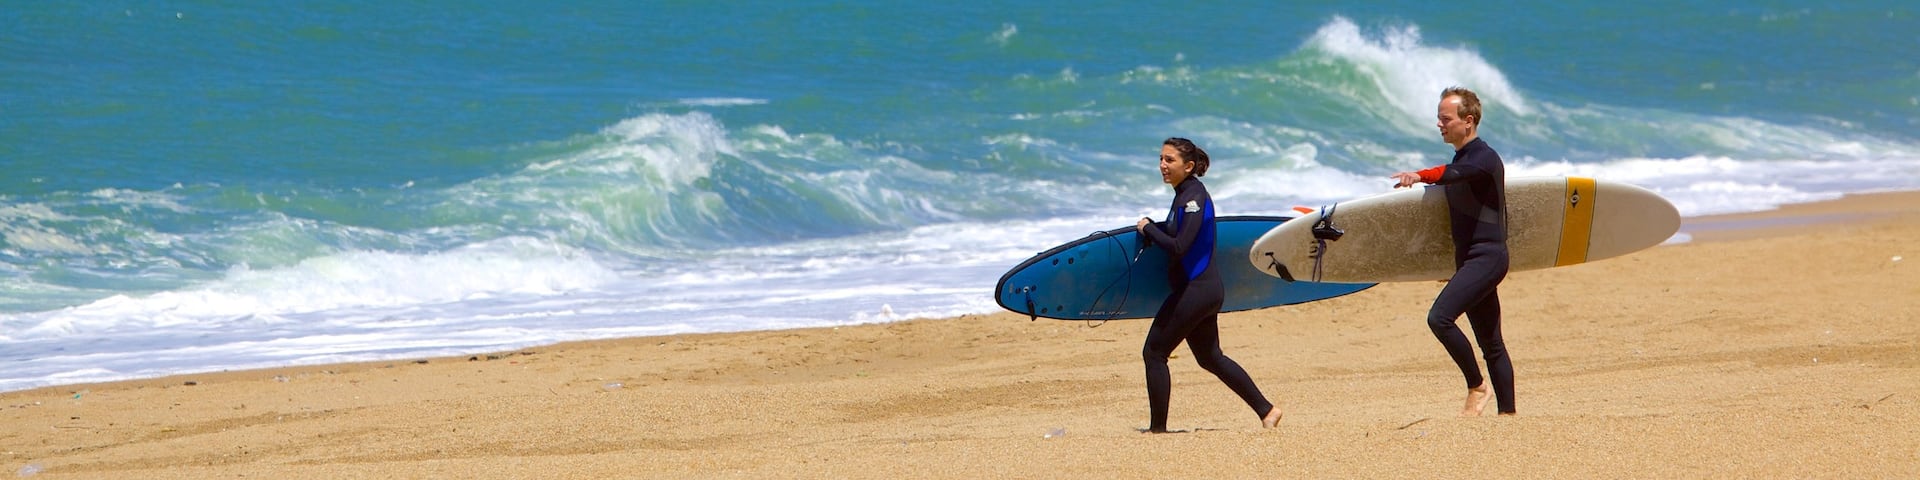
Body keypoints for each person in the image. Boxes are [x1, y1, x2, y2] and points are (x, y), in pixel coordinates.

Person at [1134, 137, 1284, 433]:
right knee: (1209, 357)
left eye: (1170, 160)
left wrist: (1147, 227)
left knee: (1154, 352)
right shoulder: (1185, 195)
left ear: (1188, 166)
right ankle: (1267, 411)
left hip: (1197, 291)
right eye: (1161, 159)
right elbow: (1181, 234)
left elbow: (1179, 246)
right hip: (1203, 290)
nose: (1162, 165)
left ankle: (1157, 430)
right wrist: (1156, 228)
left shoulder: (1193, 197)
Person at [1389, 87, 1516, 416]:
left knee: (1439, 318)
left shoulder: (1483, 159)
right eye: (1439, 118)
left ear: (1468, 121)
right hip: (1471, 261)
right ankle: (1509, 417)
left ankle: (1477, 386)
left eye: (1445, 118)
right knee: (1492, 344)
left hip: (1488, 257)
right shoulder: (1463, 158)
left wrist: (1419, 176)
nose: (1439, 124)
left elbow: (1453, 175)